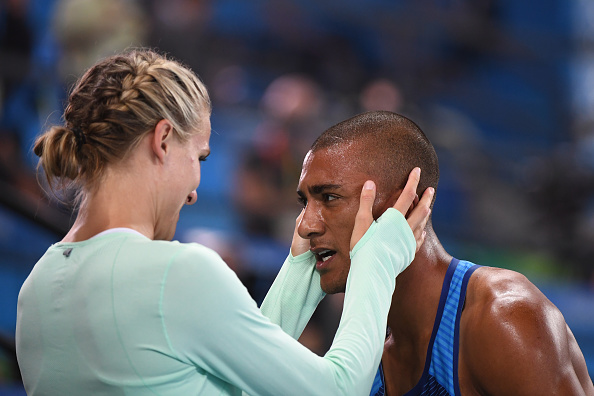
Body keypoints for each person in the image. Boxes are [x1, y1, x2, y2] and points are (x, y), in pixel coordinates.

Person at [15, 50, 434, 395]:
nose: (196, 190)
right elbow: (338, 390)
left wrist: (303, 269)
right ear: (162, 141)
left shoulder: (35, 287)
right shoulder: (174, 276)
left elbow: (238, 377)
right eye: (199, 158)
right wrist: (375, 259)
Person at [261, 111, 594, 395]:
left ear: (406, 204)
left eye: (330, 198)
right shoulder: (360, 351)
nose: (305, 226)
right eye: (305, 202)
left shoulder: (502, 315)